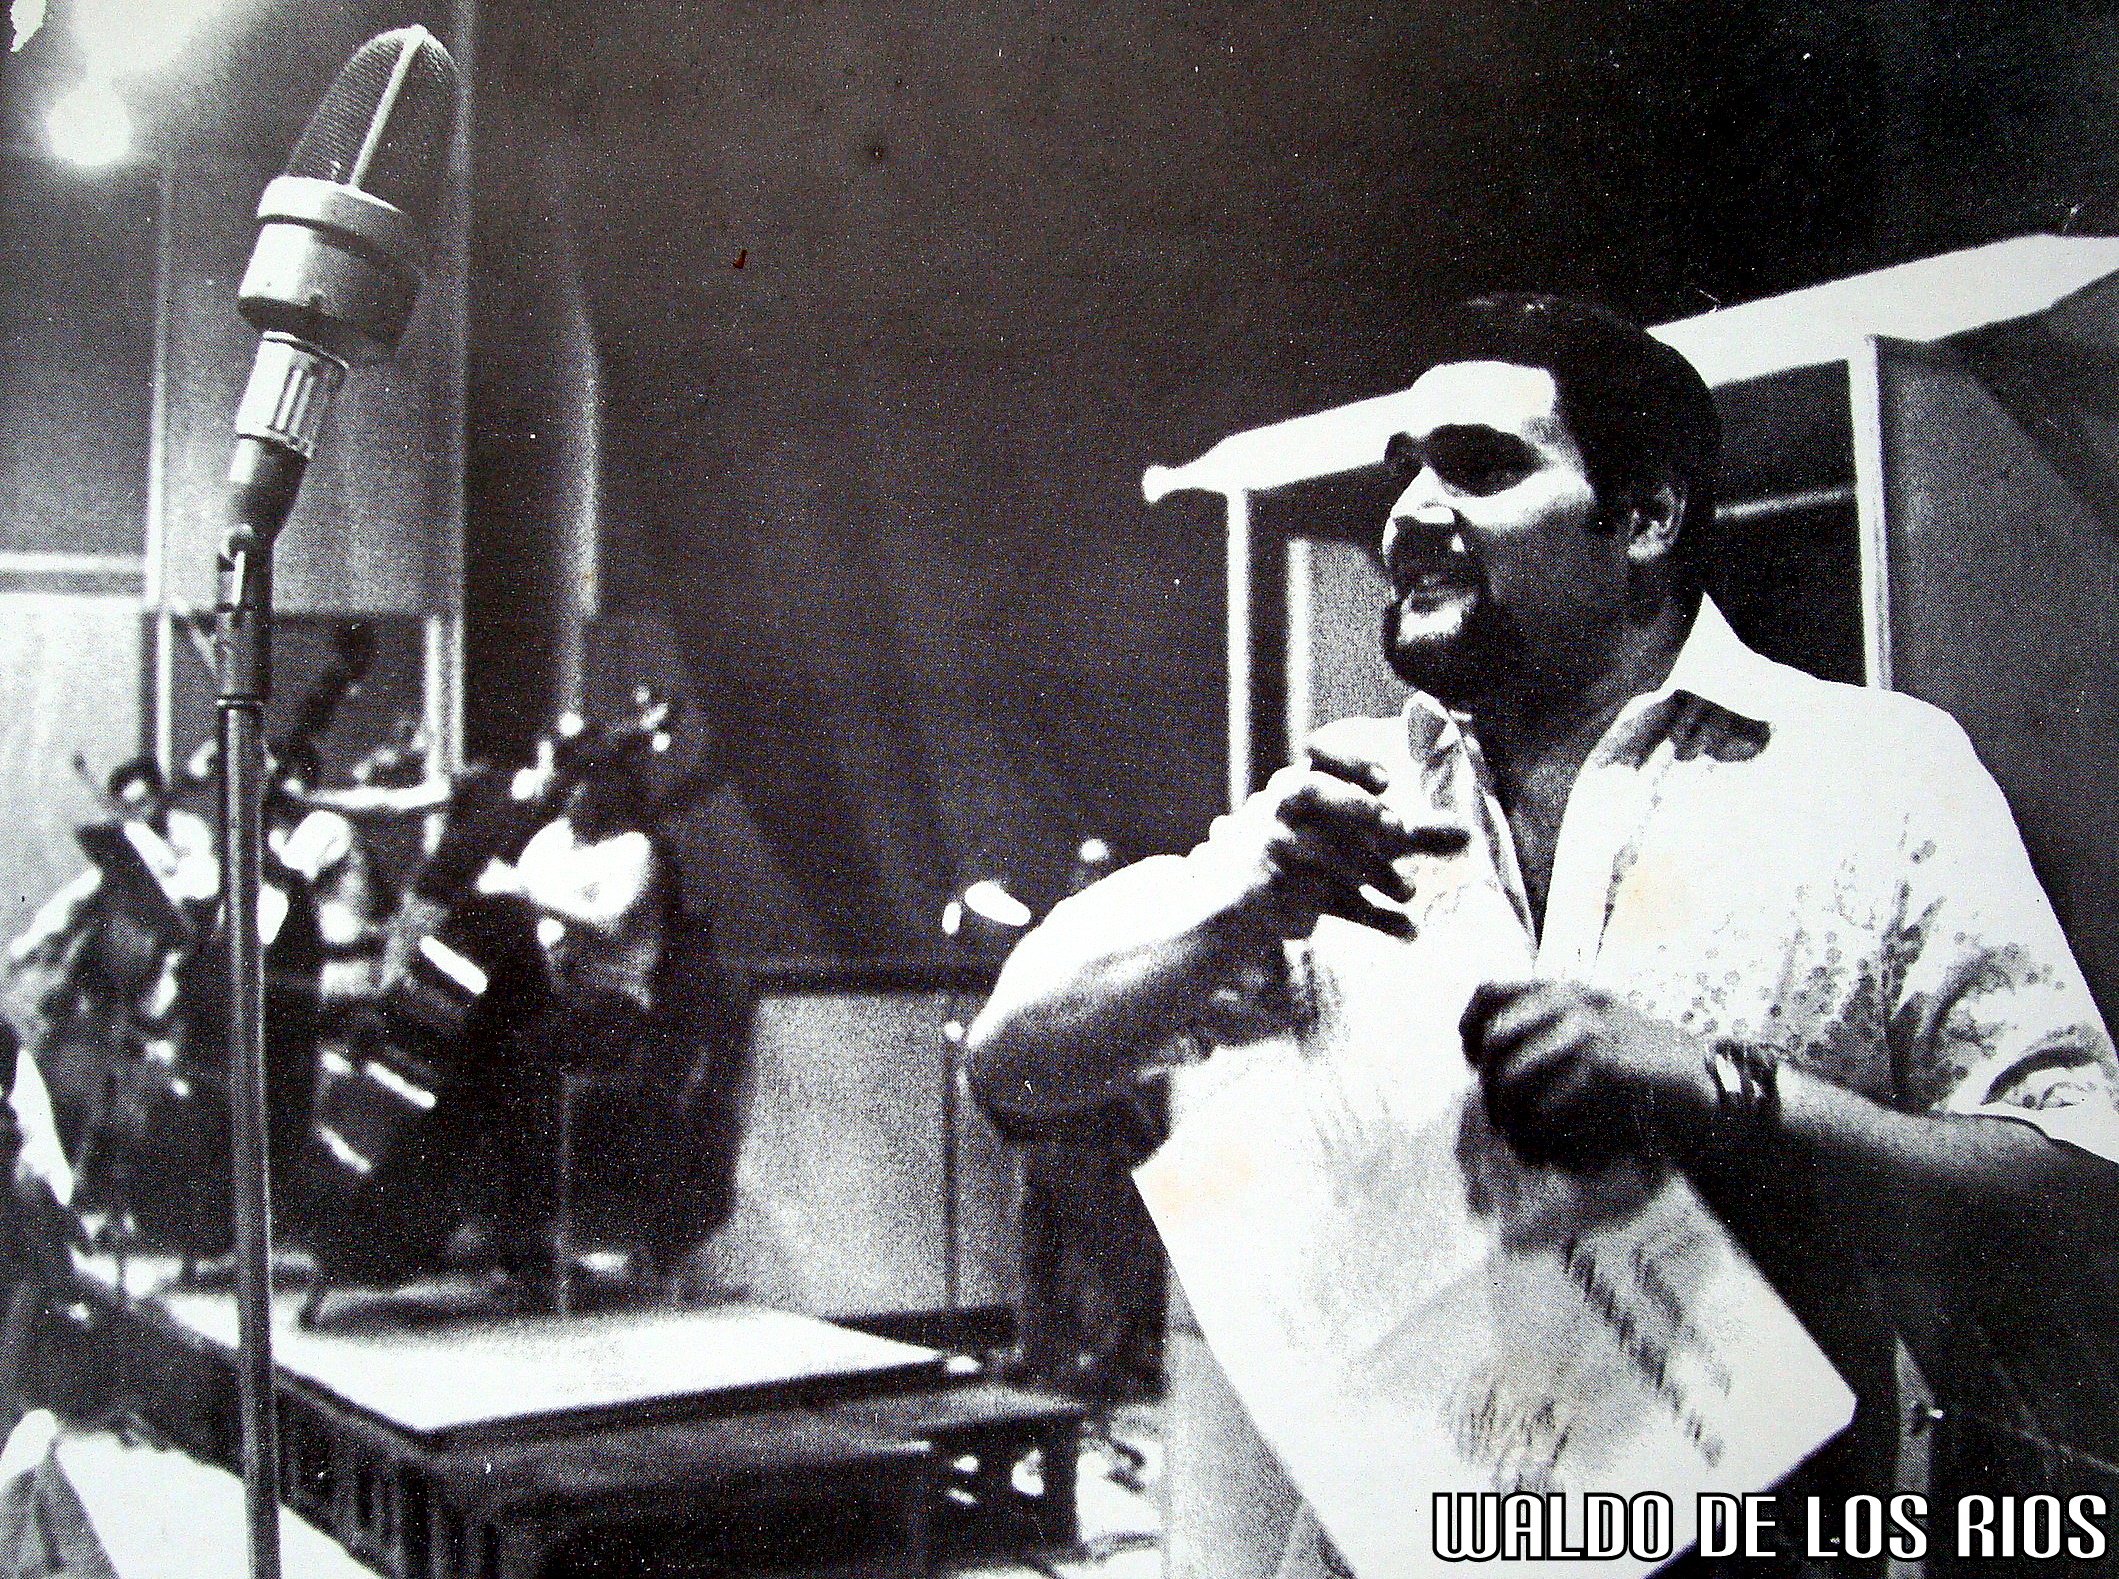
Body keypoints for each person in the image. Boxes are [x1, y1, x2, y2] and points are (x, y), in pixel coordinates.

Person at [968, 295, 2119, 1571]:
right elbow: (1013, 1062)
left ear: (1644, 519)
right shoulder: (1347, 802)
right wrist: (1241, 910)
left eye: (1479, 465)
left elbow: (2079, 1196)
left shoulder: (1870, 776)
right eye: (1402, 472)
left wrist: (1723, 1093)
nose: (1406, 516)